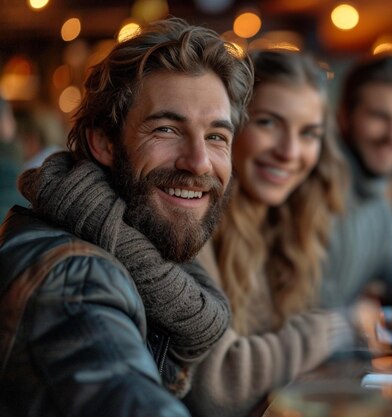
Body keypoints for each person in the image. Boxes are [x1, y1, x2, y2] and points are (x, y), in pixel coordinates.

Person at [0, 17, 254, 417]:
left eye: (216, 136)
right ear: (103, 142)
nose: (199, 162)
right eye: (167, 129)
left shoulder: (144, 255)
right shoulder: (74, 280)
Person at [185, 50, 371, 417]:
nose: (290, 152)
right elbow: (218, 388)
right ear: (230, 125)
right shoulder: (193, 220)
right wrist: (338, 325)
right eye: (269, 123)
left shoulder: (289, 218)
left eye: (308, 134)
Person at [318, 54, 392, 308]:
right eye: (379, 117)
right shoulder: (315, 190)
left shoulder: (376, 193)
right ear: (344, 116)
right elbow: (307, 314)